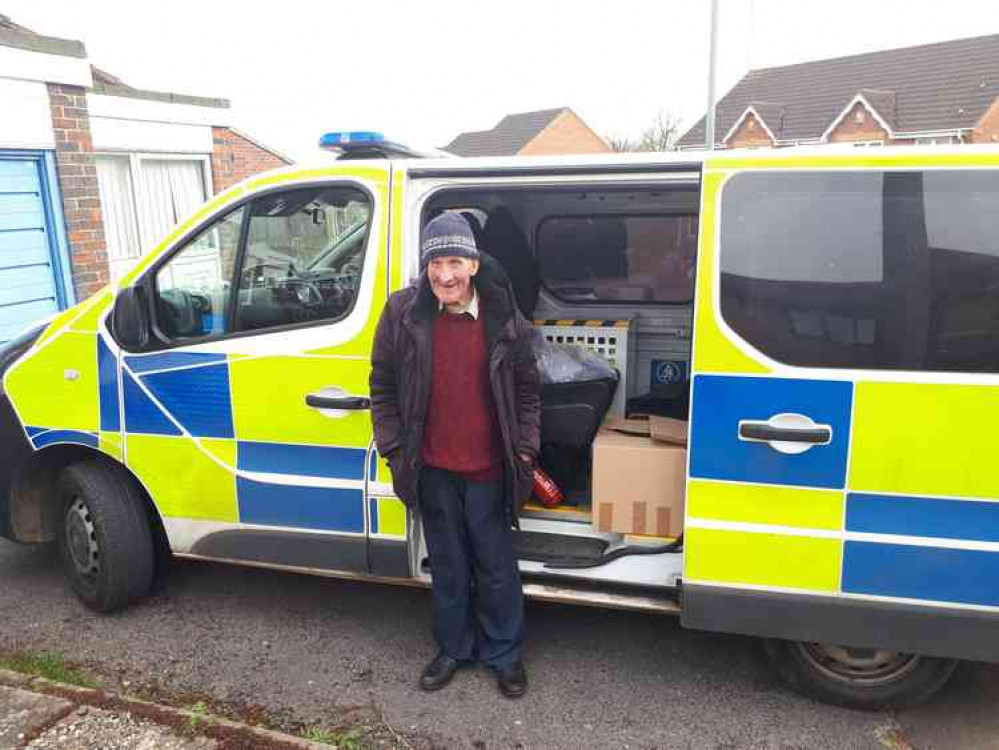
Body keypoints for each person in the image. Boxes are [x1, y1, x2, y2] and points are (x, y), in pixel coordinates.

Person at [369, 212, 540, 698]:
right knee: (447, 564)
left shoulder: (505, 316)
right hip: (431, 469)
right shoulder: (402, 314)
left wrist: (525, 452)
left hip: (489, 470)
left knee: (494, 565)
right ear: (425, 268)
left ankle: (504, 653)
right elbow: (382, 385)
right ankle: (454, 648)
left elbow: (528, 392)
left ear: (473, 262)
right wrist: (396, 448)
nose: (445, 274)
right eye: (435, 262)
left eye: (455, 261)